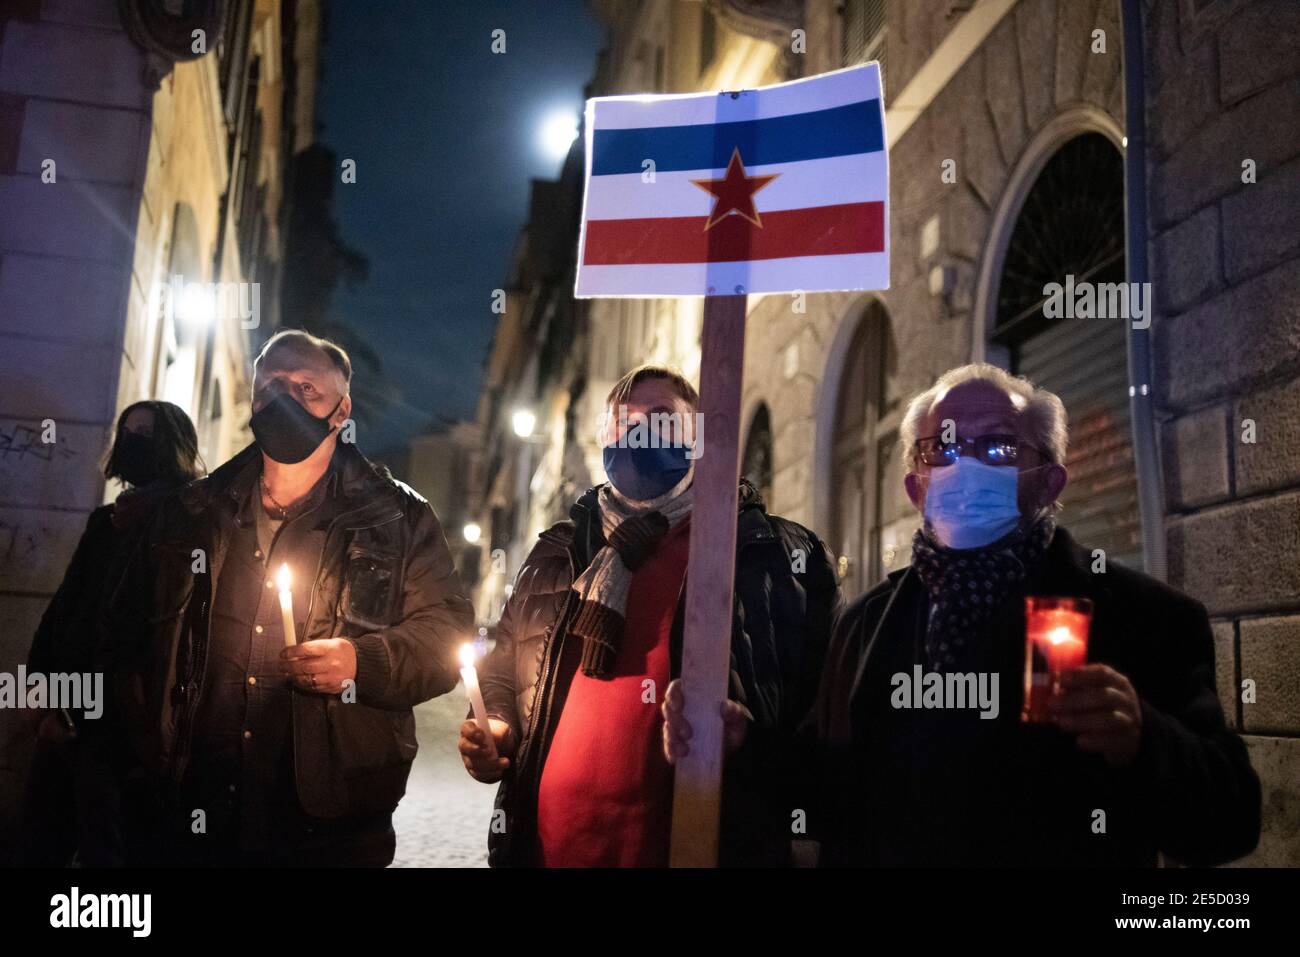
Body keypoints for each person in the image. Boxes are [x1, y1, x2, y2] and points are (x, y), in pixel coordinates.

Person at [664, 363, 1261, 866]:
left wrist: (1144, 739)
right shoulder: (868, 625)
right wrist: (743, 744)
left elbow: (1231, 821)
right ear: (915, 487)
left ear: (1049, 481)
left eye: (998, 446)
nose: (964, 464)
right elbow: (830, 791)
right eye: (940, 448)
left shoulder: (1143, 617)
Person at [108, 329, 474, 866]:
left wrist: (361, 662)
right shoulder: (193, 512)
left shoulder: (398, 518)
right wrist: (142, 757)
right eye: (273, 386)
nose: (287, 400)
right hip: (196, 812)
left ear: (341, 408)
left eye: (307, 389)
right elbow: (123, 634)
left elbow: (446, 636)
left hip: (332, 821)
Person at [460, 364, 841, 867]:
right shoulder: (559, 551)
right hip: (551, 851)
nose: (638, 431)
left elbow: (820, 728)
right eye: (622, 420)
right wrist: (496, 727)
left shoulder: (770, 555)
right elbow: (504, 671)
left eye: (661, 418)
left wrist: (748, 746)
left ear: (699, 436)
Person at [18, 401, 202, 866]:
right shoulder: (106, 521)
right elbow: (67, 611)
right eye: (128, 432)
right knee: (43, 836)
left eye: (146, 434)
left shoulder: (190, 524)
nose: (133, 441)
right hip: (71, 711)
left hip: (126, 726)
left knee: (111, 848)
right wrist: (41, 694)